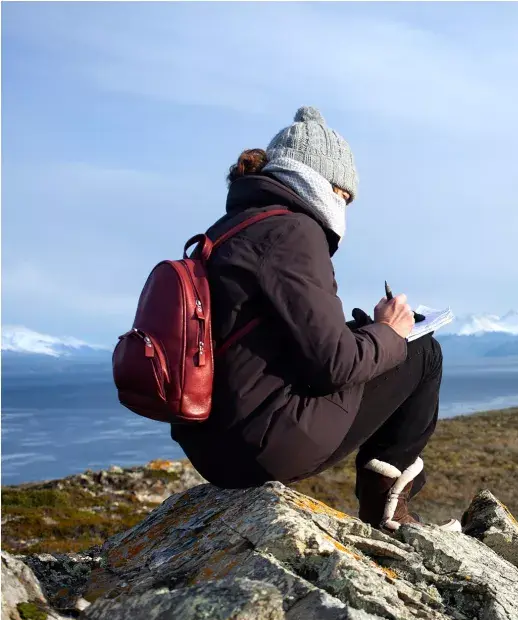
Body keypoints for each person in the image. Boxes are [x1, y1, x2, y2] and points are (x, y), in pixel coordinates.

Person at [171, 106, 458, 533]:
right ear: (326, 185)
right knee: (423, 353)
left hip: (211, 448)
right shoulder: (294, 232)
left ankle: (388, 494)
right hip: (264, 446)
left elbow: (270, 347)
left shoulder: (230, 229)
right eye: (345, 197)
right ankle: (387, 504)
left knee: (385, 343)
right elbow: (335, 367)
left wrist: (363, 333)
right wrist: (391, 331)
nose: (345, 210)